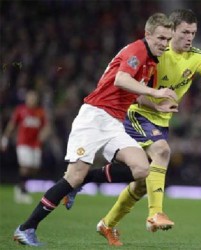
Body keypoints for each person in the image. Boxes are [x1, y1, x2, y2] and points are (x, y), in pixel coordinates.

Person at [64, 9, 201, 246]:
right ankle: (155, 214)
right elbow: (131, 90)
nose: (189, 37)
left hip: (160, 122)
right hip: (137, 113)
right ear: (172, 32)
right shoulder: (155, 54)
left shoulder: (196, 57)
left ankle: (106, 223)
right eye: (184, 32)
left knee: (143, 183)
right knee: (162, 151)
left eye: (193, 33)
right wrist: (155, 102)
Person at [12, 12, 177, 247]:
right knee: (73, 176)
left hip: (113, 123)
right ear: (148, 34)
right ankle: (26, 228)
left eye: (168, 40)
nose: (165, 44)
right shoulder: (137, 50)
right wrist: (156, 92)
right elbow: (121, 79)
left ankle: (83, 181)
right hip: (94, 117)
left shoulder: (151, 63)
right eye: (161, 38)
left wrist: (160, 105)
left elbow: (134, 95)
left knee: (142, 169)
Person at [1, 90, 50, 204]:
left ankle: (20, 186)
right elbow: (12, 124)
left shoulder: (40, 112)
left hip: (36, 144)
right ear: (27, 99)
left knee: (34, 168)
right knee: (25, 166)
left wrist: (44, 134)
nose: (32, 100)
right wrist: (5, 138)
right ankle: (22, 191)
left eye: (34, 98)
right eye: (30, 98)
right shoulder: (21, 110)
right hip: (23, 143)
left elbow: (47, 126)